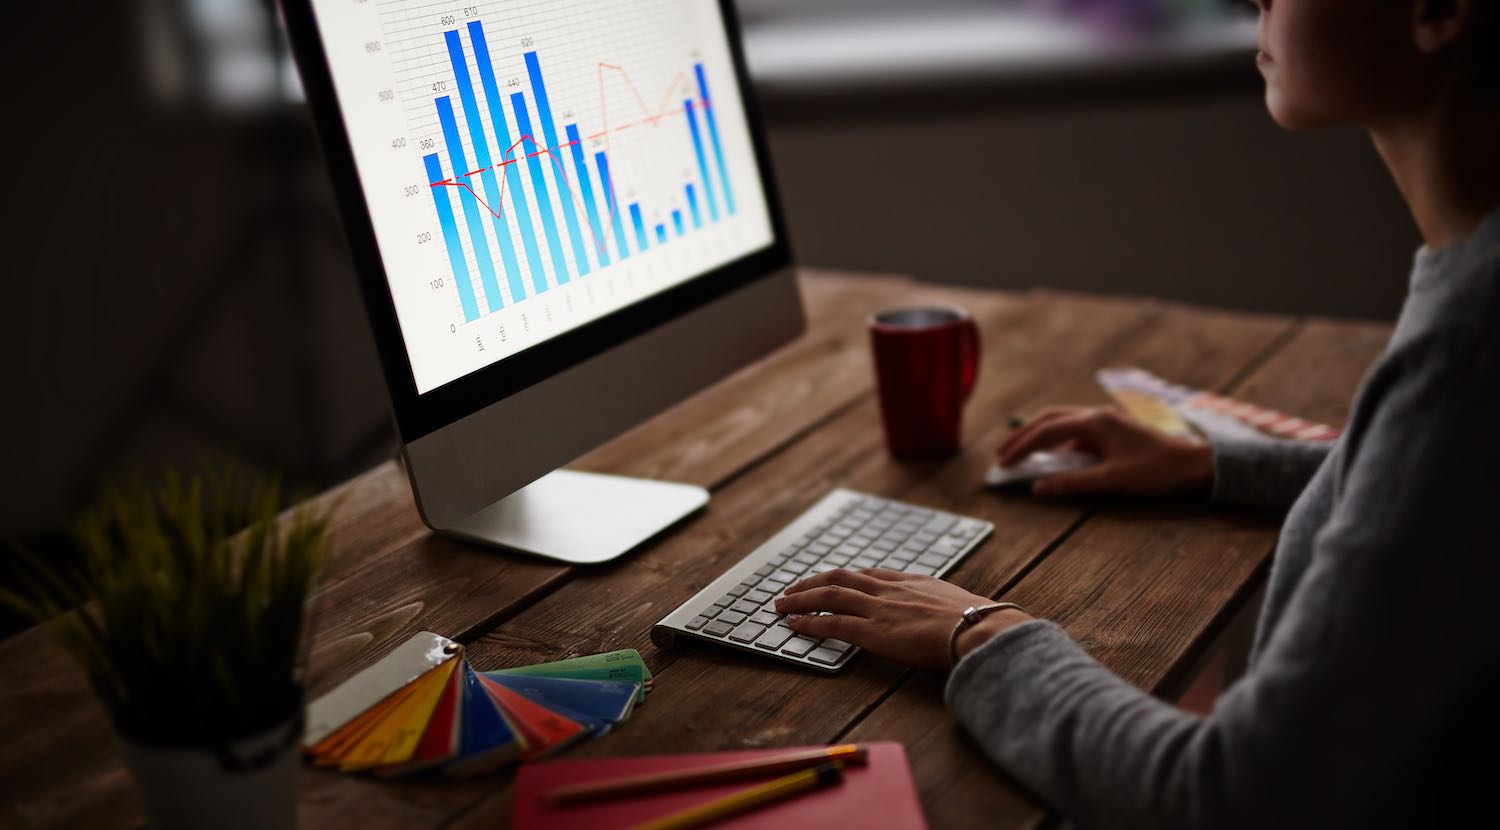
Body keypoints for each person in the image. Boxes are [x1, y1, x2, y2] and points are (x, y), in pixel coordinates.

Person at [775, 0, 1500, 826]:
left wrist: (979, 630)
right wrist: (1211, 462)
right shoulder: (1472, 290)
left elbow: (1230, 795)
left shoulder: (1470, 354)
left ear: (1437, 10)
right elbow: (1436, 484)